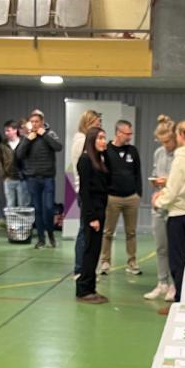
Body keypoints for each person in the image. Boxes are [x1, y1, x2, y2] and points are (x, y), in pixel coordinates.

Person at [153, 119, 185, 304]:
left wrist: (159, 201)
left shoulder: (181, 158)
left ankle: (179, 302)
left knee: (177, 263)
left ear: (181, 135)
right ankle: (184, 298)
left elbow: (173, 190)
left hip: (178, 215)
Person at [15, 109, 63, 248]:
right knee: (38, 209)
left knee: (48, 208)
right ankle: (41, 239)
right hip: (32, 178)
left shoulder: (50, 133)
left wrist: (45, 135)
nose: (35, 124)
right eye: (32, 122)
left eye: (37, 121)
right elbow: (19, 155)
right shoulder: (27, 137)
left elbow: (58, 147)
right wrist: (27, 141)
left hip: (48, 178)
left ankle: (51, 235)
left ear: (42, 122)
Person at [100, 119, 142, 276]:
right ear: (118, 133)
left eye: (131, 133)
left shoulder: (133, 151)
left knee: (131, 233)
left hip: (132, 197)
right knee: (108, 232)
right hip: (112, 198)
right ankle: (105, 262)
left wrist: (138, 193)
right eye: (127, 133)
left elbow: (138, 173)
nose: (130, 137)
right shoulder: (107, 150)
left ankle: (132, 262)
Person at [143, 114, 177, 300]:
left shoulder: (182, 154)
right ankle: (161, 283)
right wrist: (155, 182)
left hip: (175, 206)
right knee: (161, 247)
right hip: (159, 204)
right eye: (161, 141)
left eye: (168, 141)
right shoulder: (158, 153)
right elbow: (156, 173)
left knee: (175, 248)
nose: (165, 145)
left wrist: (168, 181)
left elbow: (183, 182)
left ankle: (174, 284)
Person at [75, 127, 110, 304]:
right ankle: (83, 289)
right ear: (92, 140)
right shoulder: (85, 160)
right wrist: (91, 217)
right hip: (92, 210)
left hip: (101, 208)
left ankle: (91, 287)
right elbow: (85, 192)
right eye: (101, 138)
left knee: (95, 251)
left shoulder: (100, 158)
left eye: (105, 138)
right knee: (89, 251)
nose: (104, 141)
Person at [70, 109, 102, 276]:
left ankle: (87, 268)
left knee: (88, 231)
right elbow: (80, 168)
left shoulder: (89, 141)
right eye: (96, 123)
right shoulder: (81, 141)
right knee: (84, 230)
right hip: (84, 190)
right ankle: (79, 268)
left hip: (90, 190)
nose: (99, 127)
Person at [0, 119, 30, 209]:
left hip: (22, 179)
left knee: (23, 205)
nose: (6, 133)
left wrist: (26, 173)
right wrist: (3, 175)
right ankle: (11, 223)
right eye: (5, 131)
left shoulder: (24, 142)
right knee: (10, 204)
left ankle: (23, 223)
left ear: (15, 130)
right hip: (8, 178)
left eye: (8, 130)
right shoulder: (3, 145)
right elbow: (0, 160)